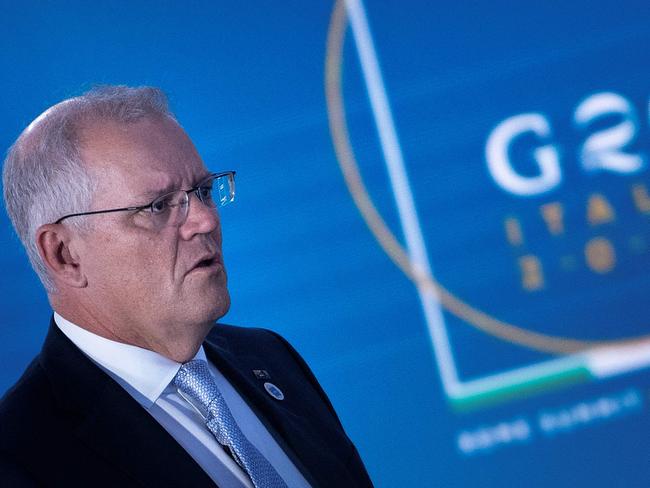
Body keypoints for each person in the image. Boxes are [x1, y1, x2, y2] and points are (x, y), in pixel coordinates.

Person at [0, 85, 373, 487]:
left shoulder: (271, 358)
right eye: (158, 206)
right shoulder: (21, 458)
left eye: (203, 191)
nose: (205, 222)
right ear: (64, 254)